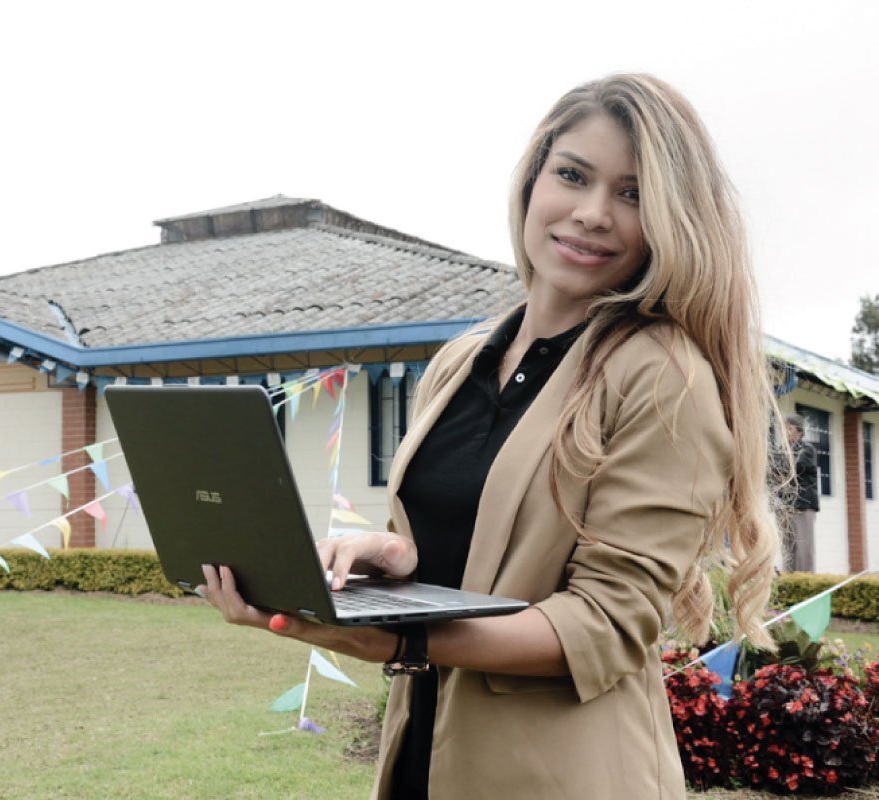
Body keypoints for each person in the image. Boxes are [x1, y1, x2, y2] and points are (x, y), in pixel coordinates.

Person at [199, 73, 781, 799]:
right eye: (573, 175)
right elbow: (478, 551)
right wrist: (392, 560)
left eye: (632, 194)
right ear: (533, 182)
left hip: (566, 774)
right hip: (426, 754)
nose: (594, 213)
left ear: (670, 219)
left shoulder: (661, 374)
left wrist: (396, 637)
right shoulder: (458, 360)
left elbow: (605, 624)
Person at [781, 413, 819, 572]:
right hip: (786, 505)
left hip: (803, 504)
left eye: (789, 428)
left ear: (799, 431)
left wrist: (781, 471)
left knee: (804, 548)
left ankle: (807, 581)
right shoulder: (782, 449)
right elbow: (772, 473)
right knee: (788, 548)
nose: (786, 432)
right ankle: (789, 582)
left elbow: (795, 468)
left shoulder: (807, 449)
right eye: (784, 428)